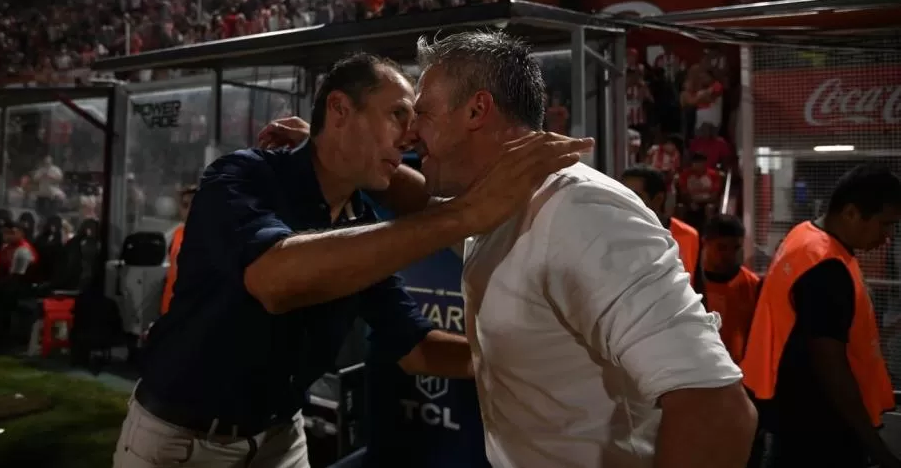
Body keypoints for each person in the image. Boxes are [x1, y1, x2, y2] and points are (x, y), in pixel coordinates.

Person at [263, 32, 756, 468]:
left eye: (424, 115)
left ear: (477, 110)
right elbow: (421, 200)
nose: (411, 133)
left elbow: (718, 412)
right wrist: (335, 150)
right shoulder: (494, 204)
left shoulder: (583, 211)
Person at [114, 53, 588, 468]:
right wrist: (463, 216)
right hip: (178, 445)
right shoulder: (240, 177)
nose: (410, 136)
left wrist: (532, 359)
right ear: (339, 110)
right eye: (397, 115)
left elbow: (417, 347)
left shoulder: (358, 224)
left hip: (280, 440)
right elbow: (275, 281)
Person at [742, 164, 901, 468]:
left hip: (788, 414)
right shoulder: (826, 268)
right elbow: (831, 366)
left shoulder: (804, 236)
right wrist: (877, 448)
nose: (888, 237)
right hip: (818, 429)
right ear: (852, 213)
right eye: (885, 224)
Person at [621, 164, 701, 281]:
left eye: (634, 197)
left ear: (658, 199)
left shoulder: (688, 235)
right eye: (621, 196)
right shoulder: (616, 234)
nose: (625, 202)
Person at [698, 214, 759, 364]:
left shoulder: (752, 284)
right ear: (705, 243)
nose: (729, 255)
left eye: (736, 248)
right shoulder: (691, 282)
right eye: (722, 247)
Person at [159, 184, 198, 316]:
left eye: (194, 204)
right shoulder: (177, 234)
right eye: (185, 205)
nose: (189, 210)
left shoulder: (209, 237)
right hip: (170, 308)